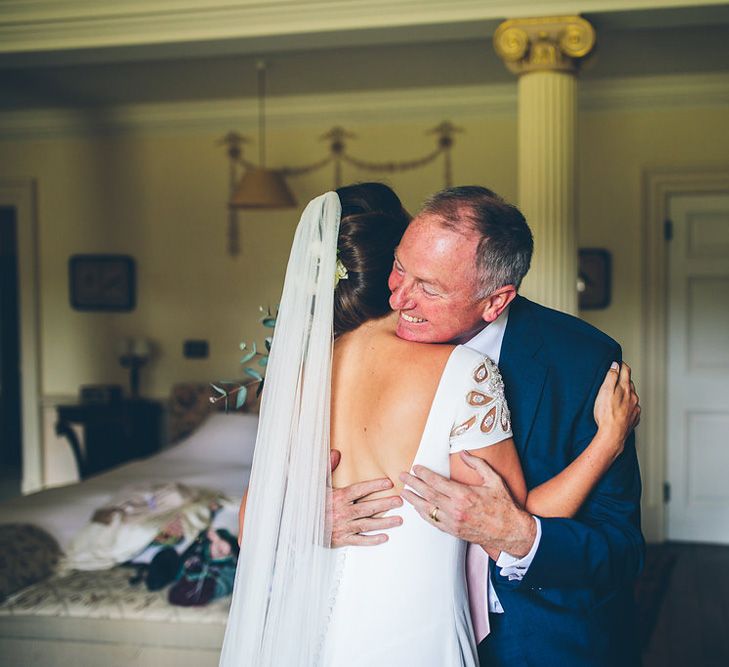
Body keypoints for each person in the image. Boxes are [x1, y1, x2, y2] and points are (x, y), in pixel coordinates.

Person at [221, 184, 639, 666]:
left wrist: (521, 535)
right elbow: (256, 521)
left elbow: (619, 543)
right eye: (400, 268)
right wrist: (307, 521)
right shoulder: (437, 371)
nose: (400, 298)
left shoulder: (582, 361)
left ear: (495, 301)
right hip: (382, 623)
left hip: (530, 641)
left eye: (429, 287)